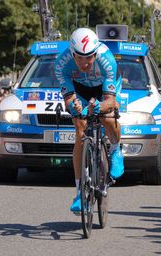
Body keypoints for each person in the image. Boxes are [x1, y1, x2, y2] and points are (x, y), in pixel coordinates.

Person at [54, 27, 124, 213]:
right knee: (80, 130)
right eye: (79, 57)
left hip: (103, 88)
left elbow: (110, 101)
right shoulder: (61, 63)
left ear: (95, 53)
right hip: (80, 88)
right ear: (72, 53)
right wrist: (74, 106)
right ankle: (79, 193)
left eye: (89, 57)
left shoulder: (107, 59)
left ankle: (116, 150)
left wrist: (98, 107)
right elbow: (68, 98)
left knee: (107, 117)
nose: (84, 62)